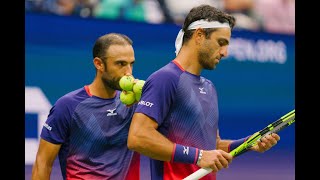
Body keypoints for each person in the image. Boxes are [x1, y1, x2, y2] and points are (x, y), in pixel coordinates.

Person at [127, 4, 280, 180]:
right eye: (221, 43)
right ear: (199, 36)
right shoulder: (165, 79)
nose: (225, 52)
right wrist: (199, 156)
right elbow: (138, 137)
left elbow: (212, 146)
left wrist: (248, 143)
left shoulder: (209, 87)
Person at [31, 33, 140, 180]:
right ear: (99, 64)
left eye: (131, 63)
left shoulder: (136, 105)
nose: (129, 72)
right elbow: (43, 163)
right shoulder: (67, 106)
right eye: (120, 64)